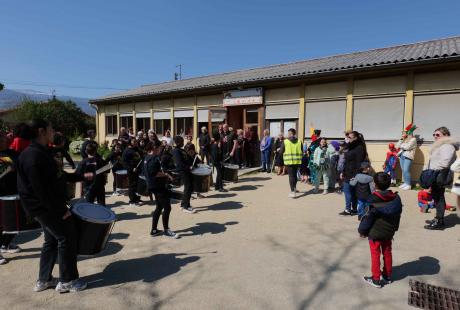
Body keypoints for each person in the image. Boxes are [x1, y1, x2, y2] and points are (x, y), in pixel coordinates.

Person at [17, 119, 92, 293]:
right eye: (51, 130)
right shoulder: (33, 156)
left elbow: (59, 176)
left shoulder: (42, 152)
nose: (54, 132)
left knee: (51, 240)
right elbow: (40, 191)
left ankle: (44, 280)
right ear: (41, 131)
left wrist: (81, 176)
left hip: (45, 207)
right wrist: (61, 211)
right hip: (44, 208)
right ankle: (68, 281)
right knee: (66, 238)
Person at [358, 172, 402, 288]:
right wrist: (395, 228)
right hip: (389, 231)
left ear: (375, 184)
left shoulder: (372, 200)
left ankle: (376, 279)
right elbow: (398, 215)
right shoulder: (396, 198)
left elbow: (367, 218)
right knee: (387, 252)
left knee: (375, 254)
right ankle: (387, 276)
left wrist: (362, 231)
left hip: (375, 233)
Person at [424, 127, 459, 230]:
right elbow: (433, 161)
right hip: (436, 174)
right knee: (437, 196)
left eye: (438, 135)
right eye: (434, 134)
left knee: (439, 197)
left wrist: (431, 171)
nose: (435, 136)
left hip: (440, 175)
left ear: (446, 135)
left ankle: (439, 221)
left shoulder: (447, 146)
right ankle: (439, 219)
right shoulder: (440, 146)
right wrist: (427, 170)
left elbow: (445, 163)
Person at [142, 142, 178, 238]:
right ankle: (166, 230)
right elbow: (155, 173)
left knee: (159, 207)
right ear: (154, 148)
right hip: (158, 186)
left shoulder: (146, 158)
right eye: (158, 148)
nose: (159, 150)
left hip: (153, 185)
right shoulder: (153, 159)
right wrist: (166, 175)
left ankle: (154, 230)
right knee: (167, 207)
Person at [0, 131, 21, 265]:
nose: (3, 139)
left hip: (14, 193)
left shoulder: (13, 153)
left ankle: (5, 244)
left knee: (15, 225)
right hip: (0, 195)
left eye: (2, 137)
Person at [339, 131, 368, 216]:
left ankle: (348, 209)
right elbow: (345, 159)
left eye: (350, 137)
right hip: (348, 171)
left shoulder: (359, 148)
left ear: (356, 138)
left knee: (347, 191)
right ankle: (354, 209)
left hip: (353, 173)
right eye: (347, 137)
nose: (348, 139)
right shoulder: (351, 146)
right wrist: (343, 172)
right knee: (352, 192)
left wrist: (355, 175)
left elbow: (359, 163)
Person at [172, 135, 196, 213]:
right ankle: (185, 206)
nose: (183, 143)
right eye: (182, 141)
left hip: (186, 170)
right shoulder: (176, 151)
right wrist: (188, 167)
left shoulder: (181, 150)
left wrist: (192, 157)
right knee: (188, 187)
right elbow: (179, 163)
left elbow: (187, 159)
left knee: (189, 187)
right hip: (183, 171)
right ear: (178, 142)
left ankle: (184, 204)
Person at [280, 128, 302, 198]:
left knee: (291, 176)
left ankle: (292, 192)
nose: (288, 134)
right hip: (297, 161)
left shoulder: (285, 141)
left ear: (290, 133)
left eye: (288, 133)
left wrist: (280, 160)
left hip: (289, 162)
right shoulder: (299, 141)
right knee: (294, 176)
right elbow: (302, 150)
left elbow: (281, 152)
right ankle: (294, 188)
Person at [396, 124, 417, 190]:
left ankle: (409, 184)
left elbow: (407, 147)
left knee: (406, 170)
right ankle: (405, 183)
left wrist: (401, 145)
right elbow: (397, 146)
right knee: (403, 170)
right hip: (402, 155)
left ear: (408, 133)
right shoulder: (403, 139)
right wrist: (402, 140)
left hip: (408, 156)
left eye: (404, 133)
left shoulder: (413, 139)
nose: (403, 134)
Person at [122, 138, 142, 206]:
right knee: (132, 185)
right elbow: (124, 163)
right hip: (131, 171)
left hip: (138, 170)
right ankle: (132, 201)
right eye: (134, 141)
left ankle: (137, 198)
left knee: (138, 185)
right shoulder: (127, 151)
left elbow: (141, 156)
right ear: (130, 142)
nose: (136, 142)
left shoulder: (136, 149)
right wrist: (131, 168)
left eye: (136, 141)